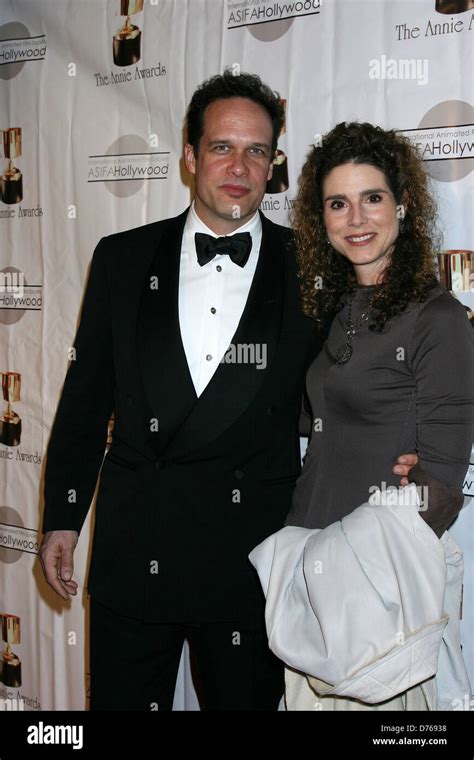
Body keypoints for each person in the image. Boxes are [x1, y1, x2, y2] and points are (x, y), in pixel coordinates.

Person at [38, 77, 418, 711]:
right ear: (189, 157)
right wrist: (61, 517)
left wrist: (405, 441)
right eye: (222, 148)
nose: (240, 169)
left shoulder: (316, 268)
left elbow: (359, 374)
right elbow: (85, 400)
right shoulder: (121, 259)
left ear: (275, 165)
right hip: (136, 555)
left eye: (258, 152)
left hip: (251, 561)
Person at [275, 121, 474, 710]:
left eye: (373, 198)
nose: (357, 219)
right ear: (322, 218)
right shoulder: (333, 310)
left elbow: (440, 495)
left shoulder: (438, 319)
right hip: (307, 560)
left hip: (379, 583)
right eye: (339, 203)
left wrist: (399, 502)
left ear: (403, 205)